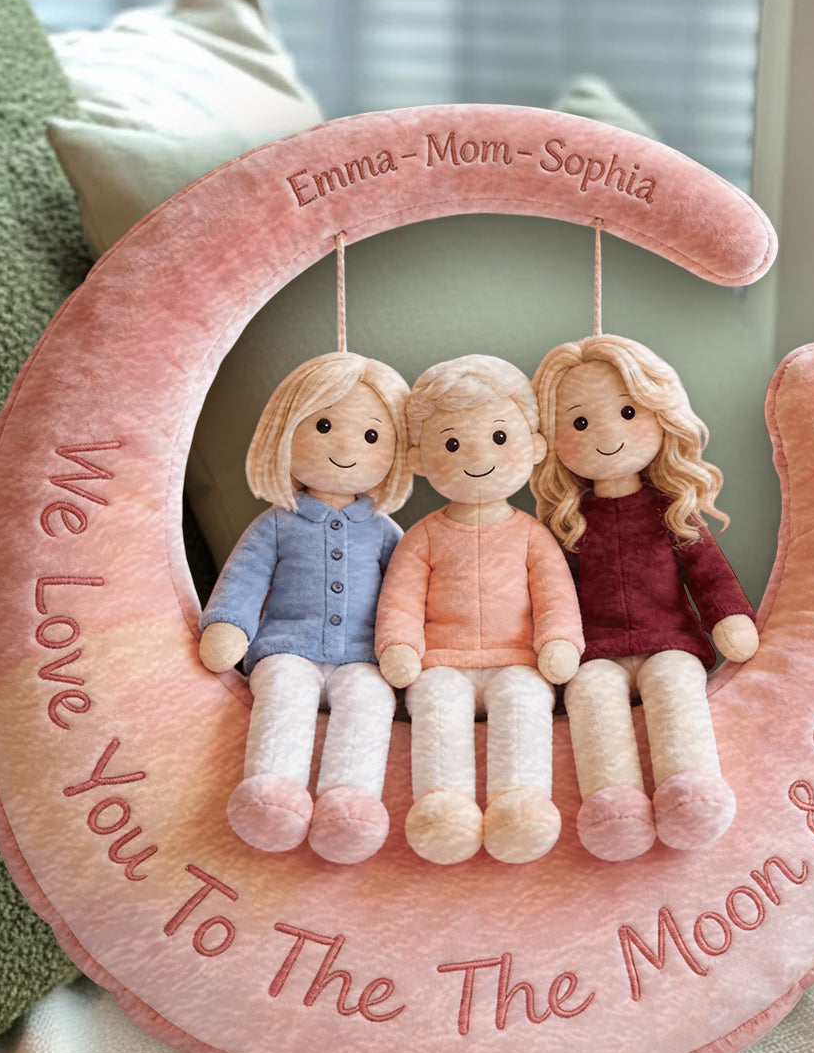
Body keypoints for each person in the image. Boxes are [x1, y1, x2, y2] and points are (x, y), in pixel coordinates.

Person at [530, 335, 758, 860]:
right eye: (579, 422)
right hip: (596, 651)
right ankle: (613, 808)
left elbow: (709, 575)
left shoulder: (671, 510)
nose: (606, 433)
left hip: (669, 641)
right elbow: (552, 594)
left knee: (675, 683)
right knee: (590, 695)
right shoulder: (567, 523)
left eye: (628, 412)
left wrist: (729, 618)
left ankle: (691, 790)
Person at [197, 352, 411, 864]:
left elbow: (407, 593)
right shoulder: (278, 522)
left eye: (371, 435)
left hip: (363, 656)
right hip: (287, 648)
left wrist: (408, 645)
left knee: (369, 702)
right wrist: (228, 623)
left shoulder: (384, 532)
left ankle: (349, 804)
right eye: (324, 426)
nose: (346, 447)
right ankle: (271, 793)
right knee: (284, 692)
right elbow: (245, 578)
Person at [375, 354, 583, 865]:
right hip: (442, 662)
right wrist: (400, 645)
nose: (476, 455)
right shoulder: (422, 536)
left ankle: (521, 806)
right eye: (451, 443)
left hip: (518, 661)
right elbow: (400, 600)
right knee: (436, 704)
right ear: (420, 458)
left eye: (498, 437)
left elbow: (556, 596)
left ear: (533, 447)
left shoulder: (532, 535)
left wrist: (559, 641)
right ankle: (443, 809)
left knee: (524, 702)